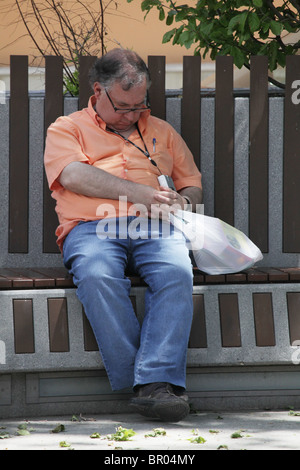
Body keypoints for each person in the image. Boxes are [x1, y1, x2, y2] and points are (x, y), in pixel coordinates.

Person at [44, 48, 203, 422]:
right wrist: (142, 194)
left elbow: (193, 183)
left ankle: (152, 384)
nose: (133, 114)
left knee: (177, 273)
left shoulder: (162, 131)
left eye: (140, 105)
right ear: (98, 91)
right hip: (91, 227)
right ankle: (153, 383)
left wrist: (183, 201)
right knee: (97, 275)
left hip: (156, 227)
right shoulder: (67, 128)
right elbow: (73, 175)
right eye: (123, 107)